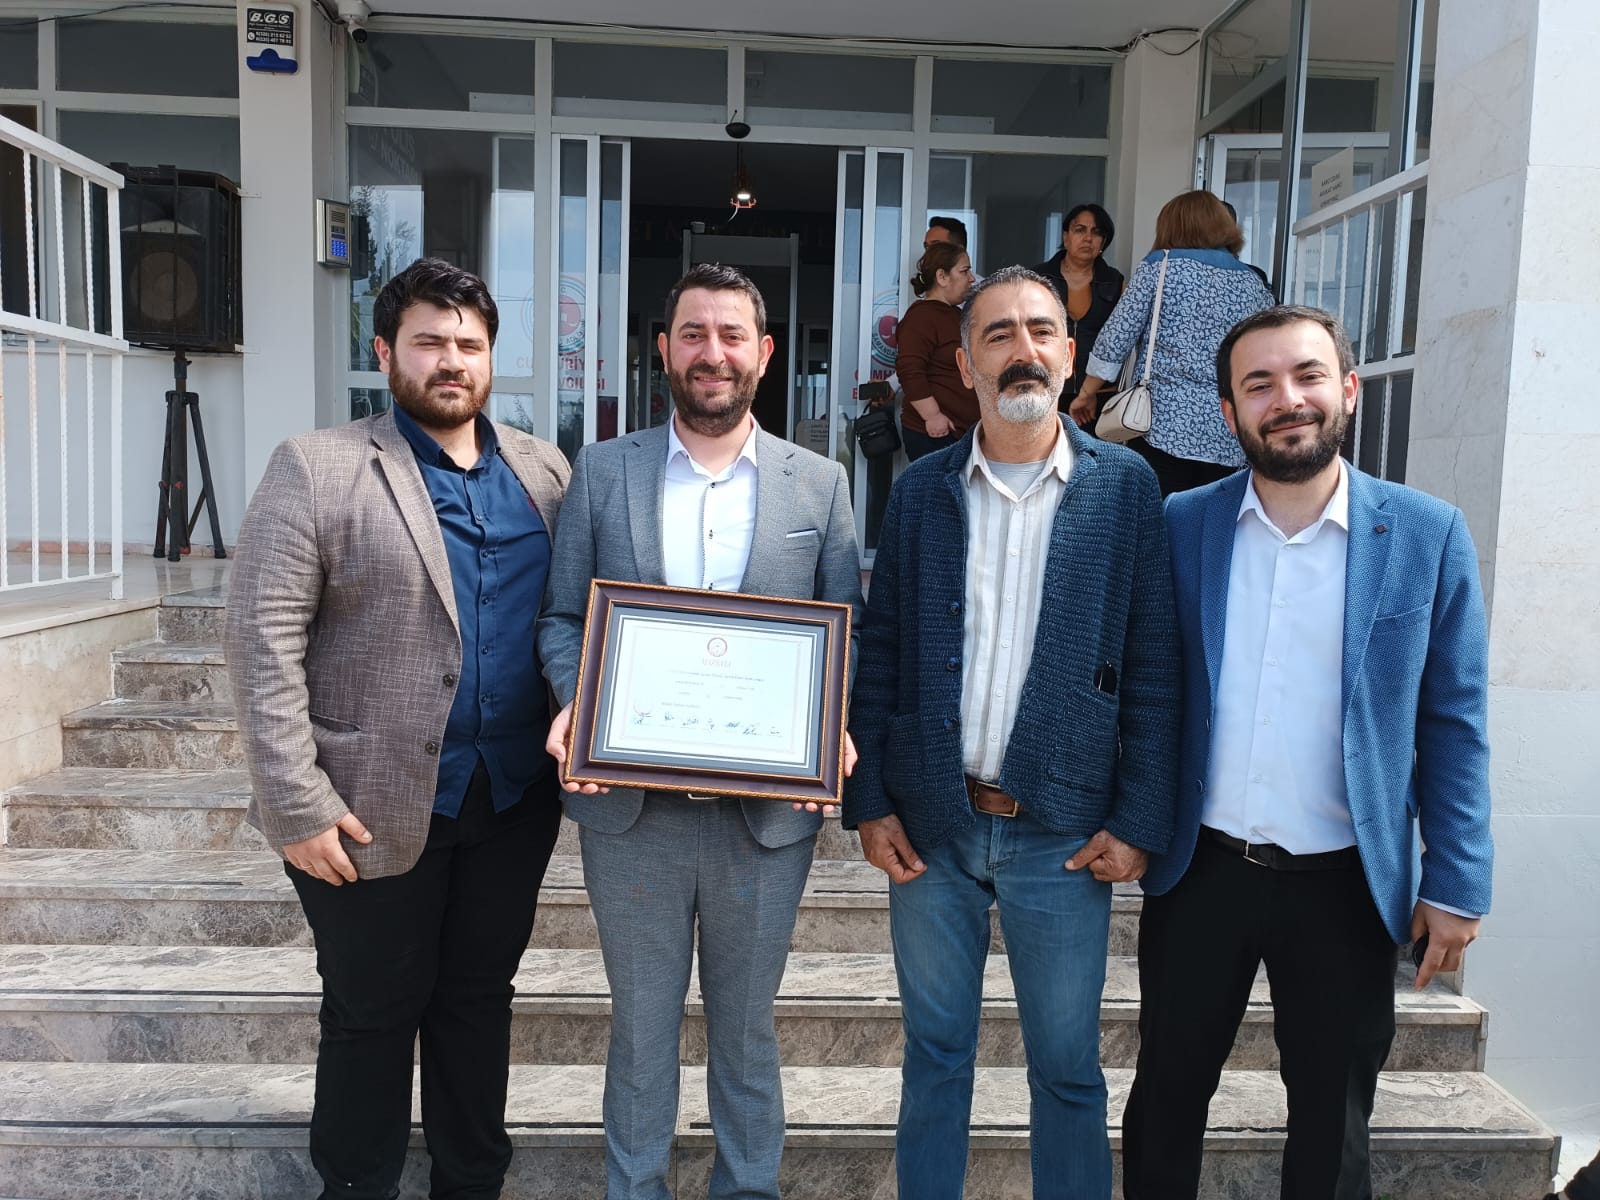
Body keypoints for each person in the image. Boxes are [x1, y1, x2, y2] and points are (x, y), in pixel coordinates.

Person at [1123, 305, 1494, 1199]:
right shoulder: (1182, 525)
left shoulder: (1428, 533)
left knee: (1333, 1126)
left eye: (1308, 375)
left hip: (1346, 885)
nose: (1286, 399)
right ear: (1228, 412)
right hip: (1202, 873)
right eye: (1259, 385)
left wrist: (1456, 880)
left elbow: (1454, 719)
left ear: (1349, 390)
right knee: (1165, 1101)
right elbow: (1145, 688)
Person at [225, 257, 571, 1200]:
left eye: (470, 344)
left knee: (477, 1005)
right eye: (429, 342)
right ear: (385, 352)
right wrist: (296, 803)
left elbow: (572, 618)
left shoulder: (544, 471)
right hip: (361, 807)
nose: (451, 360)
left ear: (491, 357)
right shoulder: (318, 465)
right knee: (371, 1014)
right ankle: (356, 1186)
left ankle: (472, 1183)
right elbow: (259, 640)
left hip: (510, 802)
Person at [844, 265, 1181, 1200]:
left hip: (1062, 833)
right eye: (997, 334)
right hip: (933, 828)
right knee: (935, 1056)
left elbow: (1155, 666)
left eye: (1040, 330)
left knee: (1067, 1068)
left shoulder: (1127, 489)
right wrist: (869, 798)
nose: (1022, 349)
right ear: (966, 365)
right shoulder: (922, 492)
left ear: (1070, 354)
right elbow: (883, 650)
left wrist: (1138, 819)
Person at [538, 263, 864, 1200]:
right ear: (664, 349)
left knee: (747, 1032)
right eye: (692, 334)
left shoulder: (820, 484)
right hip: (631, 811)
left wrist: (831, 720)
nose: (711, 353)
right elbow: (562, 619)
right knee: (641, 1033)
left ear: (763, 352)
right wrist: (576, 703)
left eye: (730, 335)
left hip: (763, 822)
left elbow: (845, 630)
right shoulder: (605, 470)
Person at [1072, 189, 1273, 496]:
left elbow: (1118, 335)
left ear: (1172, 225)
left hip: (1162, 426)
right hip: (1229, 430)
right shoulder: (1252, 283)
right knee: (1214, 516)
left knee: (1161, 515)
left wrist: (1087, 393)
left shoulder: (1160, 267)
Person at [1032, 201, 1125, 410]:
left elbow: (1121, 339)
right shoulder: (1038, 278)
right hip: (1045, 389)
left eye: (1096, 232)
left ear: (1104, 241)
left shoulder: (1114, 282)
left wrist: (1091, 391)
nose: (1088, 238)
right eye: (1080, 230)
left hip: (1099, 394)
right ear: (1066, 237)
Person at [897, 241, 980, 461]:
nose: (971, 278)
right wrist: (932, 416)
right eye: (964, 271)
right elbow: (909, 370)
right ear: (942, 277)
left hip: (962, 432)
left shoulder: (955, 314)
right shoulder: (921, 317)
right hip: (936, 434)